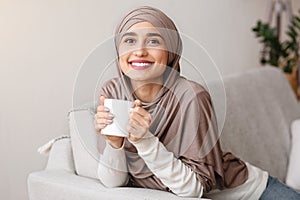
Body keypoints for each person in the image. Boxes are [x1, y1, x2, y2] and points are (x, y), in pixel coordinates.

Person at [94, 6, 300, 199]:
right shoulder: (113, 92)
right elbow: (113, 182)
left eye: (153, 41)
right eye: (129, 40)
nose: (139, 51)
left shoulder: (192, 96)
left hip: (251, 194)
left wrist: (143, 140)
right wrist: (114, 145)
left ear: (171, 52)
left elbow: (194, 190)